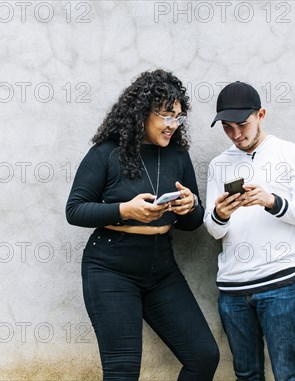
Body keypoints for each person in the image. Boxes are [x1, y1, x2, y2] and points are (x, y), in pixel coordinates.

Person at [65, 69, 219, 381]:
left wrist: (190, 207)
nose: (173, 125)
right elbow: (75, 210)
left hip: (161, 269)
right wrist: (125, 210)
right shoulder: (106, 153)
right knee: (123, 371)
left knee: (204, 356)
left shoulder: (178, 155)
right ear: (141, 113)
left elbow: (192, 223)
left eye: (178, 117)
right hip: (111, 269)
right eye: (166, 115)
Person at [204, 81, 295, 381]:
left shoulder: (291, 153)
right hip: (232, 290)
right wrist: (220, 214)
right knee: (246, 376)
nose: (236, 134)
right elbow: (213, 231)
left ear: (261, 115)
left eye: (242, 124)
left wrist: (272, 201)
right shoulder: (218, 164)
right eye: (227, 127)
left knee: (289, 375)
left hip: (280, 286)